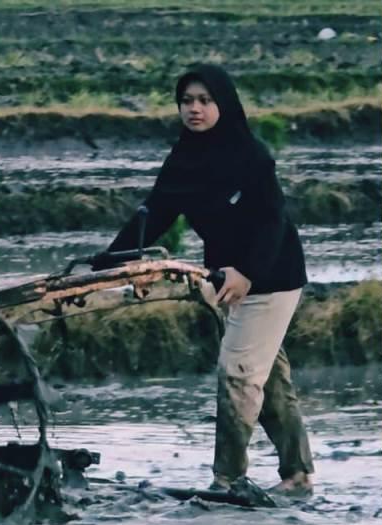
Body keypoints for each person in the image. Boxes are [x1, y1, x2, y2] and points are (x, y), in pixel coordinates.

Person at [102, 64, 314, 497]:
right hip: (225, 278)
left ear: (223, 103)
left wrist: (247, 272)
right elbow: (156, 211)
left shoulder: (250, 155)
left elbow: (272, 221)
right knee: (268, 379)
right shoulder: (184, 157)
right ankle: (297, 475)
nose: (194, 109)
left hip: (270, 276)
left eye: (204, 101)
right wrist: (111, 261)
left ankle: (227, 479)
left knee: (237, 373)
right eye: (186, 101)